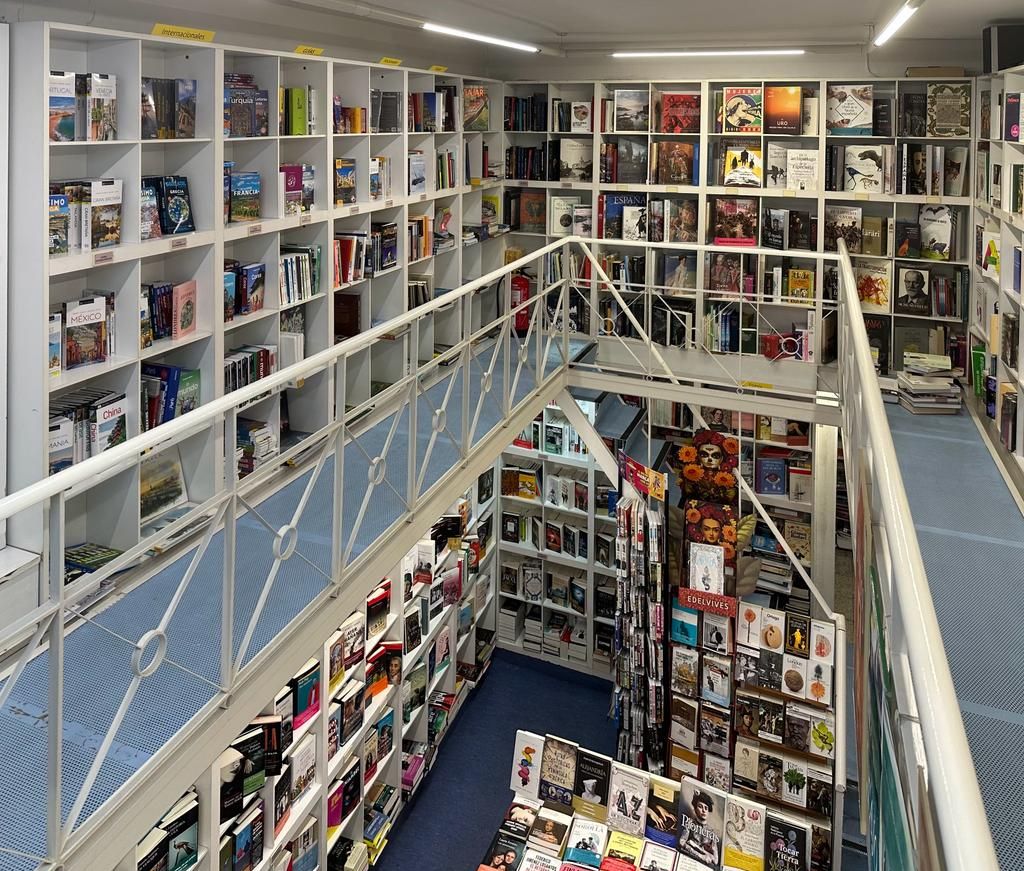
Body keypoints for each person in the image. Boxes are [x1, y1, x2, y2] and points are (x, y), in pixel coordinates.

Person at [679, 788, 721, 865]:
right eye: (700, 806)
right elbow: (681, 842)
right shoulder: (690, 822)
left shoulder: (712, 832)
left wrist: (697, 847)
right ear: (695, 808)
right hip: (688, 860)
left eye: (706, 808)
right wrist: (700, 856)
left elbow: (715, 861)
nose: (703, 810)